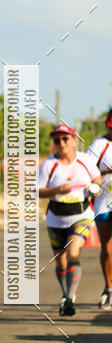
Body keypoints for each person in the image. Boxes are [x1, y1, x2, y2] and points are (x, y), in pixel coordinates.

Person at [38, 123, 101, 316]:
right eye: (57, 140)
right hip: (56, 218)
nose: (61, 143)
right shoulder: (50, 164)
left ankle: (70, 297)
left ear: (74, 140)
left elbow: (97, 179)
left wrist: (94, 189)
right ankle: (65, 295)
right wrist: (56, 190)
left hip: (81, 216)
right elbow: (38, 191)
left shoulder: (85, 160)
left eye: (65, 138)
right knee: (61, 262)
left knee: (74, 252)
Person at [87, 109, 112, 308]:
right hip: (104, 200)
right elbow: (87, 168)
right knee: (107, 247)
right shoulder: (99, 144)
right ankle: (108, 288)